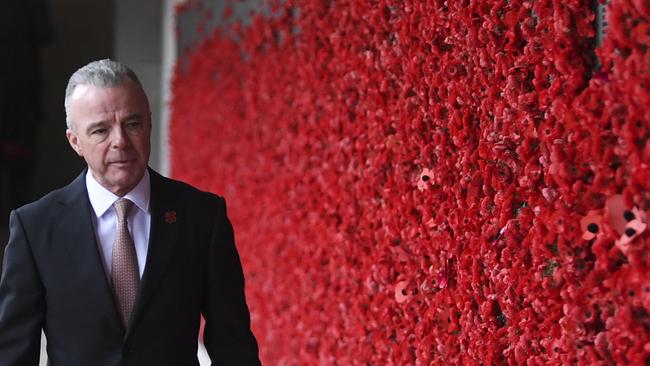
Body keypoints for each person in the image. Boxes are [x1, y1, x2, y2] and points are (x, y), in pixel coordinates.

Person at [0, 59, 261, 365]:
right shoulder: (34, 227)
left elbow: (233, 342)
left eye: (132, 124)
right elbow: (14, 353)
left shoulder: (202, 216)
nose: (120, 142)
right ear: (75, 142)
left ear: (149, 123)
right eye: (100, 130)